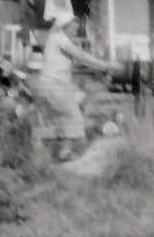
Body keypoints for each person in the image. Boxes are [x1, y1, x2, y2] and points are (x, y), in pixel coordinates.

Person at [31, 10, 119, 161]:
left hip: (47, 84)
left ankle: (41, 157)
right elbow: (82, 56)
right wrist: (106, 65)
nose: (76, 30)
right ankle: (64, 154)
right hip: (54, 85)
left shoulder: (55, 38)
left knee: (51, 120)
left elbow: (77, 59)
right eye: (73, 27)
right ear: (64, 26)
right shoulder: (59, 38)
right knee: (74, 117)